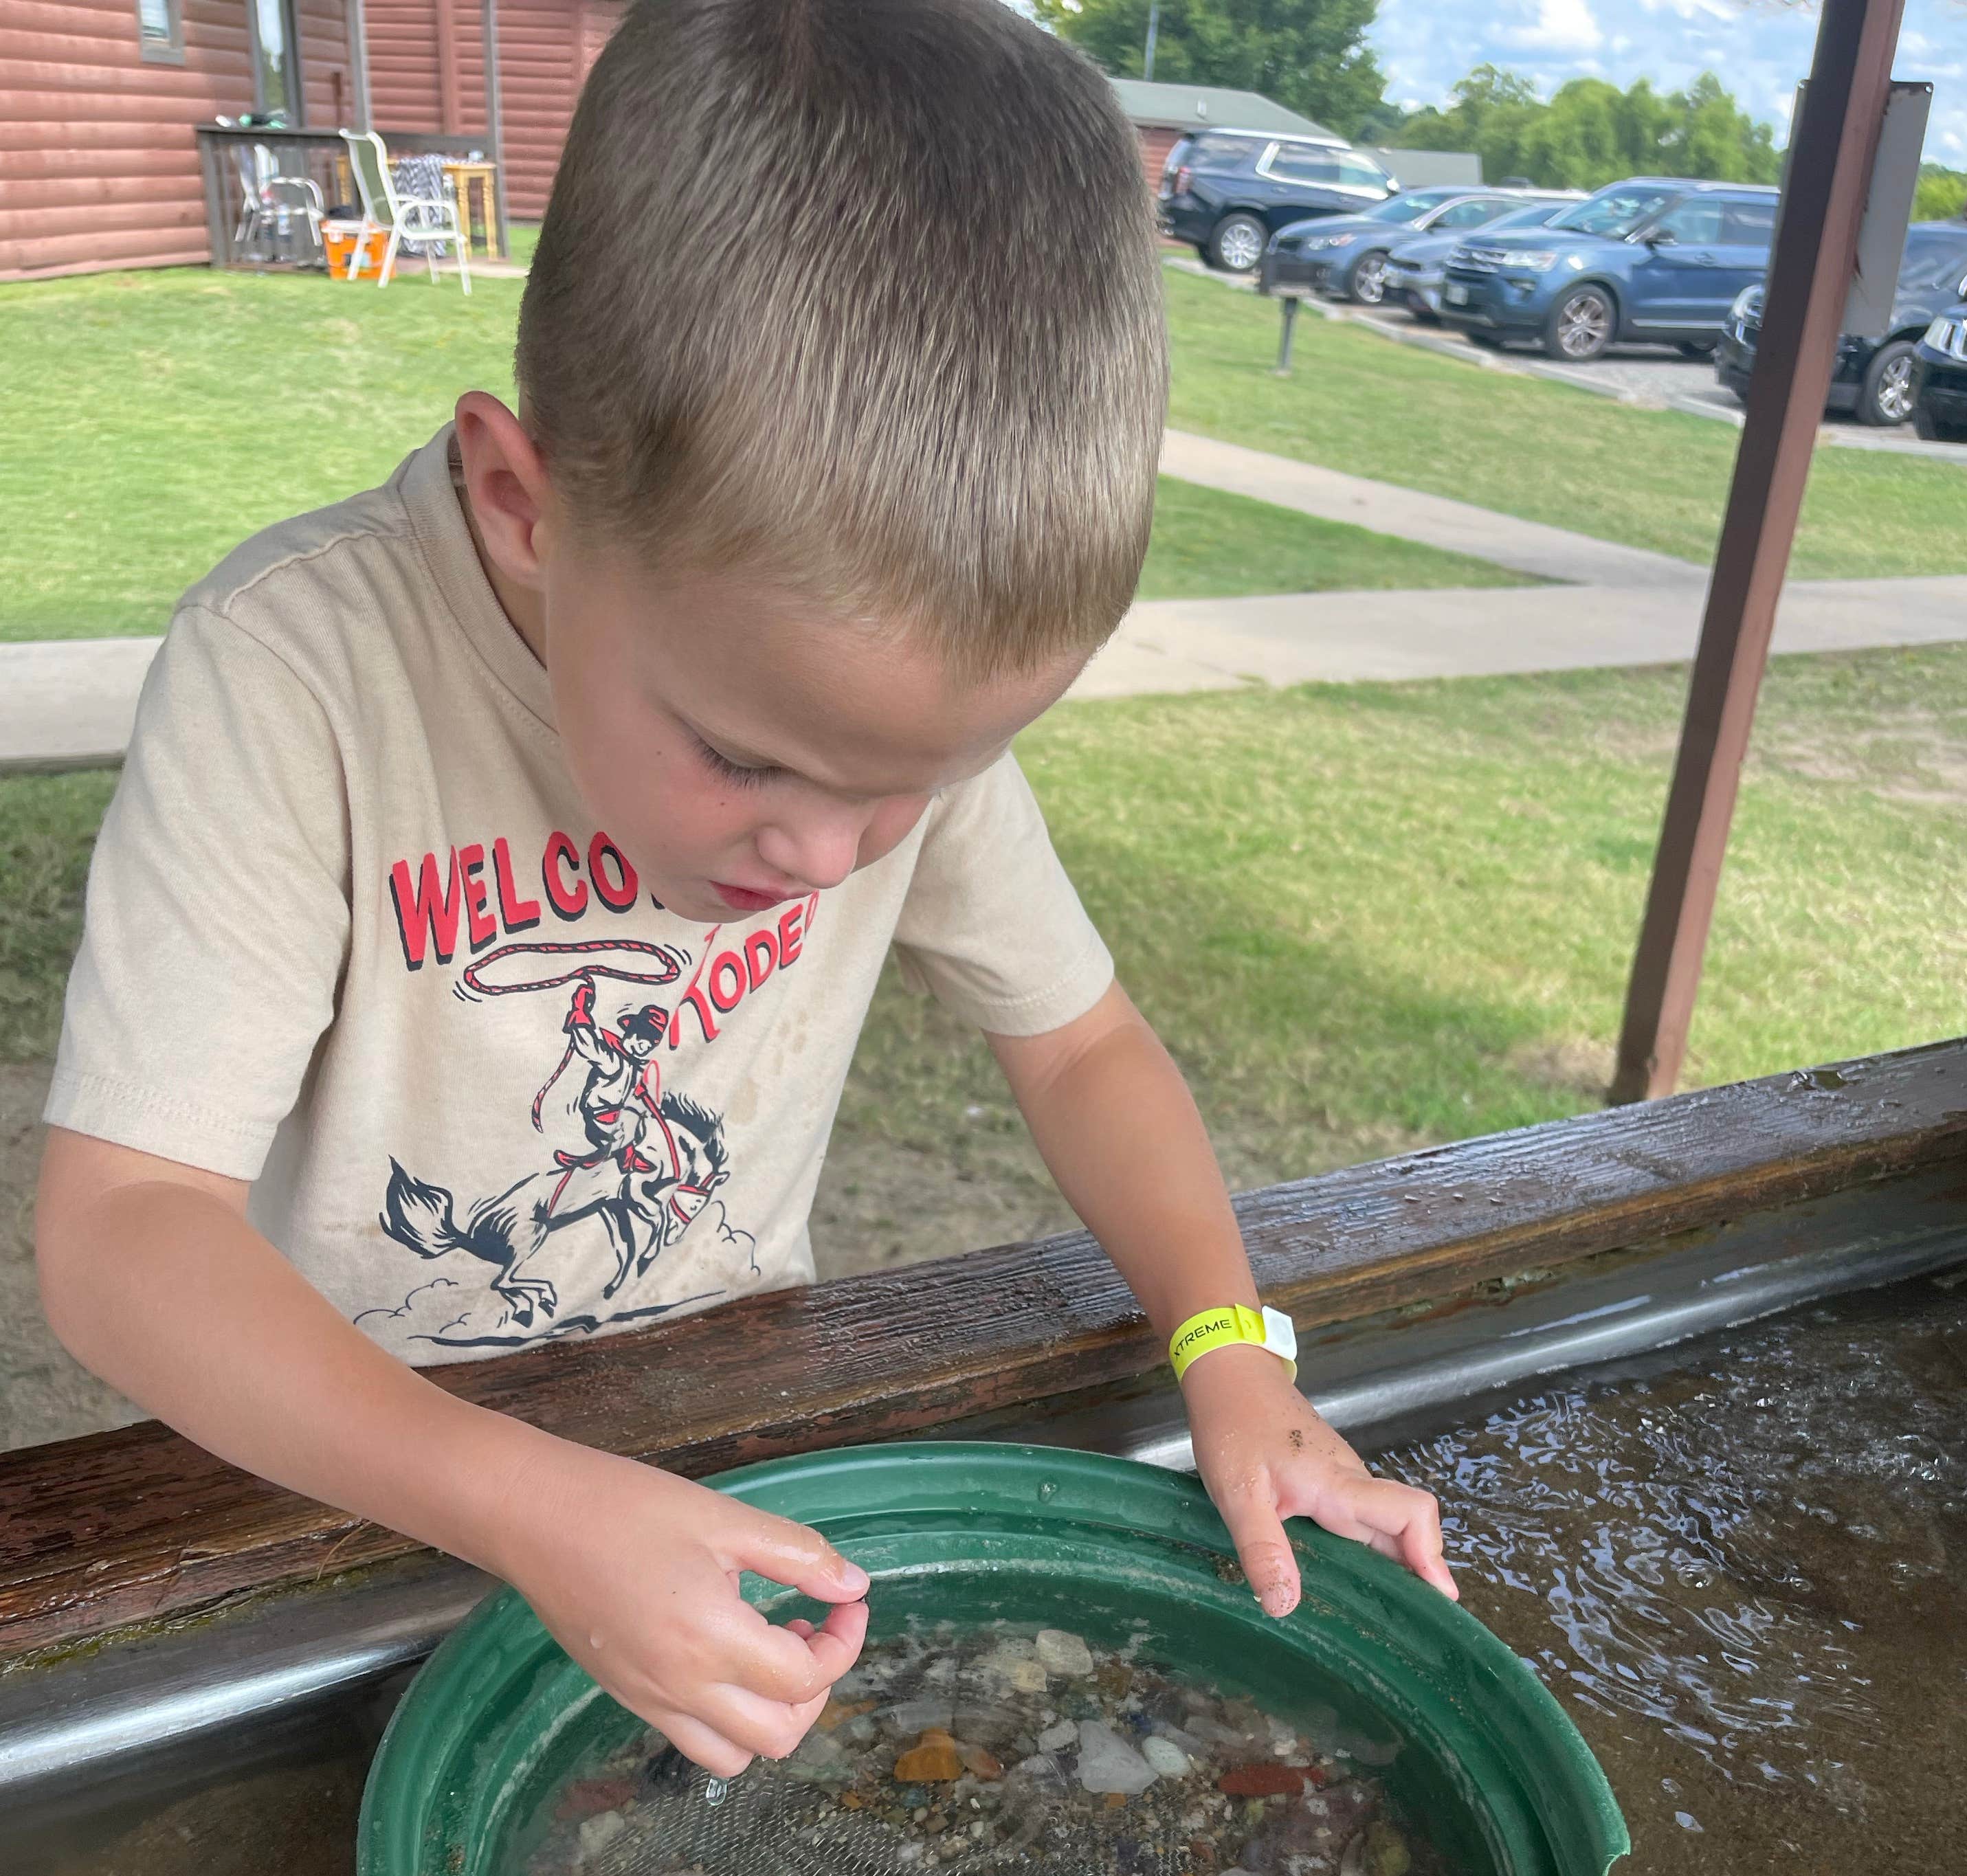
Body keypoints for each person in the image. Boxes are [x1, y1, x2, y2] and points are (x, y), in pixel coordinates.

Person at [36, 0, 1452, 1782]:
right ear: (523, 502)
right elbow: (123, 1232)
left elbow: (1082, 1043)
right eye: (746, 762)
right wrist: (525, 1502)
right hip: (358, 1489)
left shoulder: (850, 720)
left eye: (912, 787)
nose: (830, 858)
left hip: (730, 1439)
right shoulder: (298, 673)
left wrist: (1235, 1350)